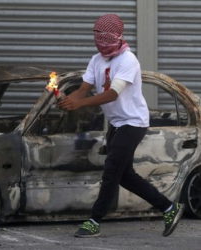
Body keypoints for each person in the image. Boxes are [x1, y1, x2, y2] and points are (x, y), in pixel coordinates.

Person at [58, 14, 184, 238]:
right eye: (96, 35)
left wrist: (80, 102)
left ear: (115, 36)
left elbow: (112, 94)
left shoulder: (128, 60)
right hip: (117, 123)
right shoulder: (96, 60)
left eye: (102, 36)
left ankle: (94, 220)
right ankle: (169, 208)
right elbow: (84, 89)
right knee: (124, 175)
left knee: (111, 171)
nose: (98, 40)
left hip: (133, 122)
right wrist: (71, 101)